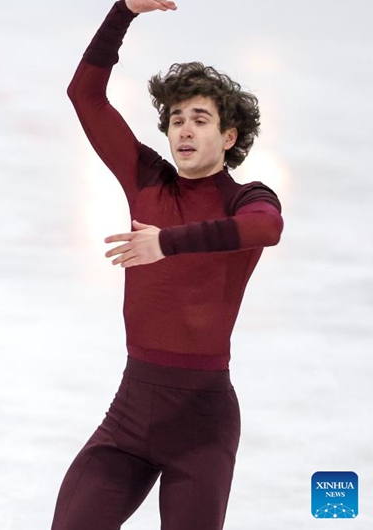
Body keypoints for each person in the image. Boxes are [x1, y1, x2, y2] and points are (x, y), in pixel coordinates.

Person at [51, 1, 283, 529]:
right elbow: (84, 96)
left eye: (200, 119)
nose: (184, 129)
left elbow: (267, 229)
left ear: (228, 136)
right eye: (176, 119)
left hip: (202, 424)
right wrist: (124, 11)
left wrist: (168, 244)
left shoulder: (245, 197)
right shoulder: (147, 179)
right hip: (130, 414)